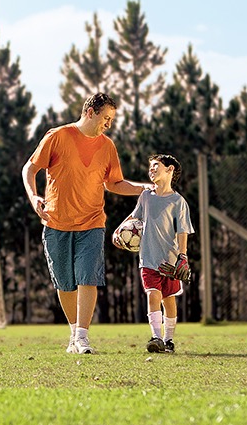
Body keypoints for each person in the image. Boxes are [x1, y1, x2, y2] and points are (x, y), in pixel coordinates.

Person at [22, 92, 154, 355]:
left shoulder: (107, 146)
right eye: (106, 118)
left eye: (111, 120)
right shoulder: (57, 136)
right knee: (65, 283)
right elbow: (30, 168)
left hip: (92, 223)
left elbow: (114, 183)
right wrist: (34, 196)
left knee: (88, 277)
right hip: (56, 222)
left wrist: (143, 188)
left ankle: (82, 337)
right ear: (91, 112)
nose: (109, 124)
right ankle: (74, 333)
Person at [120, 154, 195, 353]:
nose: (151, 169)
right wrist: (118, 232)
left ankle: (168, 339)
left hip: (169, 261)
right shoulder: (146, 197)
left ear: (170, 170)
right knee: (153, 294)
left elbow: (183, 231)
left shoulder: (178, 201)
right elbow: (134, 218)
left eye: (156, 166)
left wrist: (183, 256)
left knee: (168, 299)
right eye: (150, 167)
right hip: (148, 259)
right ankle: (156, 337)